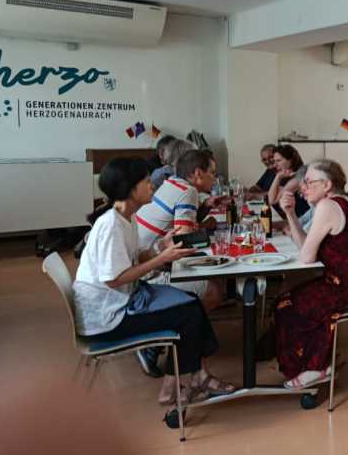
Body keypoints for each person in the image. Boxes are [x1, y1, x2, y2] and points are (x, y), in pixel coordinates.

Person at [73, 157, 235, 404]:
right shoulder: (110, 225)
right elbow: (113, 279)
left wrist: (161, 246)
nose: (153, 186)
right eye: (147, 181)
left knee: (191, 302)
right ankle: (174, 387)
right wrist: (162, 259)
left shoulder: (127, 217)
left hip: (123, 298)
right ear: (130, 188)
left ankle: (196, 377)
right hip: (108, 317)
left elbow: (133, 258)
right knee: (189, 314)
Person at [273, 160, 348, 389]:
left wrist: (292, 216)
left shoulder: (328, 206)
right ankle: (319, 360)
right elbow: (307, 248)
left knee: (286, 305)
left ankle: (315, 367)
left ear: (327, 185)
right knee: (293, 298)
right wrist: (290, 214)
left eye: (309, 182)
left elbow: (307, 257)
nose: (303, 187)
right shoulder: (341, 202)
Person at [268, 145, 310, 219]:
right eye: (274, 161)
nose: (275, 165)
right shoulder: (288, 174)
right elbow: (272, 196)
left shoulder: (301, 174)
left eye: (279, 161)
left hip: (304, 220)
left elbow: (272, 200)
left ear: (291, 160)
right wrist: (279, 177)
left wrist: (278, 177)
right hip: (296, 217)